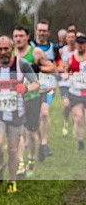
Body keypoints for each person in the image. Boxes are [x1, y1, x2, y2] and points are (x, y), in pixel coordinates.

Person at [0, 35, 39, 193]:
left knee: (13, 150)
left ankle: (12, 180)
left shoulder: (22, 64)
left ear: (12, 49)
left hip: (16, 115)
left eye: (6, 49)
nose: (3, 52)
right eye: (0, 49)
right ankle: (0, 163)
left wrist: (25, 89)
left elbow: (36, 84)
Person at [12, 25, 54, 176]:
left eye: (21, 36)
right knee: (18, 132)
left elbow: (52, 68)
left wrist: (37, 68)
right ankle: (21, 164)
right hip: (16, 99)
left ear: (27, 37)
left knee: (30, 132)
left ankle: (31, 159)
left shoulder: (35, 52)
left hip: (33, 97)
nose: (18, 39)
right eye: (15, 36)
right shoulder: (10, 54)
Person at [31, 20, 60, 160]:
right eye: (40, 30)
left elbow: (57, 68)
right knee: (34, 119)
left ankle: (44, 144)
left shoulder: (54, 49)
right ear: (36, 31)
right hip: (32, 88)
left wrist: (39, 68)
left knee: (44, 113)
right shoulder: (30, 47)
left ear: (48, 32)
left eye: (44, 31)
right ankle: (38, 143)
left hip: (48, 86)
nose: (42, 33)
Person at [65, 33, 86, 151]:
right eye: (79, 44)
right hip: (75, 92)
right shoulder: (71, 57)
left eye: (83, 44)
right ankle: (80, 143)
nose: (80, 46)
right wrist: (67, 75)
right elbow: (66, 69)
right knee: (78, 118)